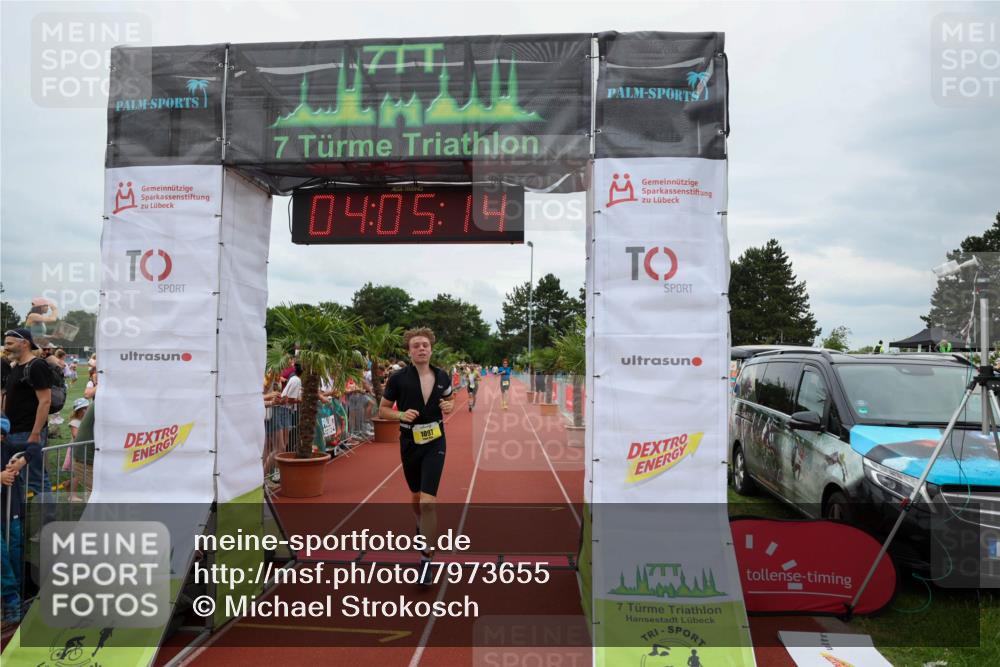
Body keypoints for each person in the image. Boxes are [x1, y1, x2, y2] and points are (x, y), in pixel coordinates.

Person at [379, 327, 454, 585]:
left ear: (431, 348)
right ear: (409, 351)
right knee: (416, 497)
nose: (421, 348)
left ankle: (426, 559)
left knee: (429, 500)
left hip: (436, 441)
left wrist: (449, 405)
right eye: (416, 346)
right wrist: (400, 415)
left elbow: (449, 399)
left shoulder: (443, 376)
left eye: (425, 345)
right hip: (409, 442)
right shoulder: (399, 378)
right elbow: (383, 410)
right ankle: (420, 524)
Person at [2, 328, 52, 498]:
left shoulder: (37, 365)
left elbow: (45, 401)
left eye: (10, 343)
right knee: (18, 477)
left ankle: (48, 522)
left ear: (24, 343)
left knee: (36, 478)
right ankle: (20, 519)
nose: (5, 347)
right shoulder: (15, 366)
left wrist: (36, 433)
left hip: (29, 432)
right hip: (13, 432)